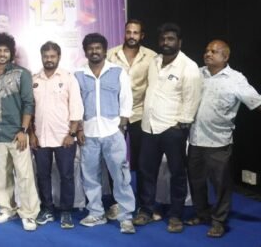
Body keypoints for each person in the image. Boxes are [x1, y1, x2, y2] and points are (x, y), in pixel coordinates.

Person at [185, 40, 261, 237]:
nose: (208, 54)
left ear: (225, 57)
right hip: (194, 140)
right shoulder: (197, 74)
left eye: (214, 51)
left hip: (219, 143)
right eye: (206, 50)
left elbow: (256, 102)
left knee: (221, 185)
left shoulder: (236, 79)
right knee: (196, 181)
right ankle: (202, 214)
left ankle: (219, 221)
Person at [135, 23, 201, 233]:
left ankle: (175, 215)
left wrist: (180, 125)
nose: (166, 42)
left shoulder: (188, 67)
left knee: (177, 174)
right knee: (146, 172)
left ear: (179, 42)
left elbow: (192, 99)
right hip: (149, 127)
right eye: (163, 39)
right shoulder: (154, 61)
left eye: (170, 39)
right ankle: (146, 210)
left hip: (172, 129)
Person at [74, 33, 135, 234]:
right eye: (90, 48)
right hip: (88, 135)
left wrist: (121, 127)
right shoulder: (78, 75)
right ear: (85, 52)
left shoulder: (118, 72)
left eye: (98, 47)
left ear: (104, 50)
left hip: (113, 134)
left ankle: (126, 217)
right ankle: (96, 213)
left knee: (121, 177)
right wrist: (79, 129)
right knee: (90, 177)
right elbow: (75, 105)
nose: (94, 51)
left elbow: (126, 100)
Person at [0, 33, 40, 231]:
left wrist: (24, 130)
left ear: (11, 53)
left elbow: (28, 103)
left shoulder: (21, 73)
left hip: (17, 133)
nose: (2, 54)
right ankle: (6, 209)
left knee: (24, 176)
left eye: (6, 51)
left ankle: (29, 213)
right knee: (0, 175)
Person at [105, 19, 157, 220]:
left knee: (143, 163)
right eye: (129, 32)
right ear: (124, 33)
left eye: (136, 33)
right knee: (115, 162)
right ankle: (117, 203)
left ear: (141, 35)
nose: (132, 36)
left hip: (139, 114)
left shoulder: (151, 57)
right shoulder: (111, 54)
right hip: (114, 116)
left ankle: (145, 206)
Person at [30, 41, 83, 229]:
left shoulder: (68, 78)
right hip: (40, 136)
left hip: (64, 136)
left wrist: (72, 133)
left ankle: (66, 211)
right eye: (46, 56)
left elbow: (76, 106)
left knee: (66, 175)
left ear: (59, 57)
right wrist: (32, 134)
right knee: (42, 175)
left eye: (52, 56)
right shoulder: (34, 79)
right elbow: (29, 109)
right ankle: (47, 209)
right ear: (41, 57)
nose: (49, 59)